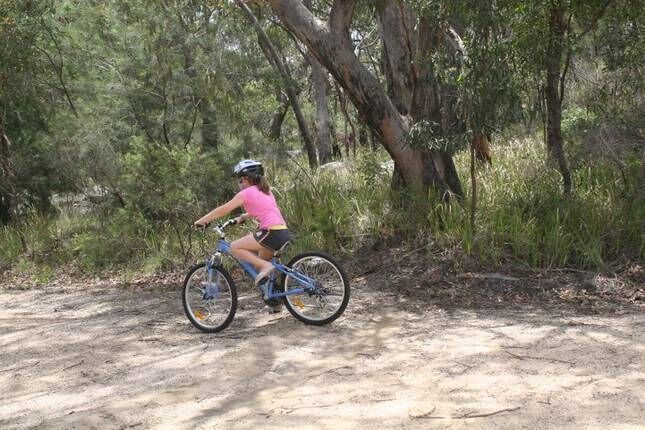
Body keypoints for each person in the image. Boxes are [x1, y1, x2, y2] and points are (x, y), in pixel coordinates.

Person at [194, 159, 290, 286]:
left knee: (235, 247)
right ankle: (274, 300)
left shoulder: (245, 193)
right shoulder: (265, 191)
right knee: (259, 268)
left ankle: (266, 266)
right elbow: (265, 208)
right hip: (282, 231)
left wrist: (202, 220)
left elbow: (223, 209)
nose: (239, 183)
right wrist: (243, 217)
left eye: (240, 180)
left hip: (270, 232)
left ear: (245, 178)